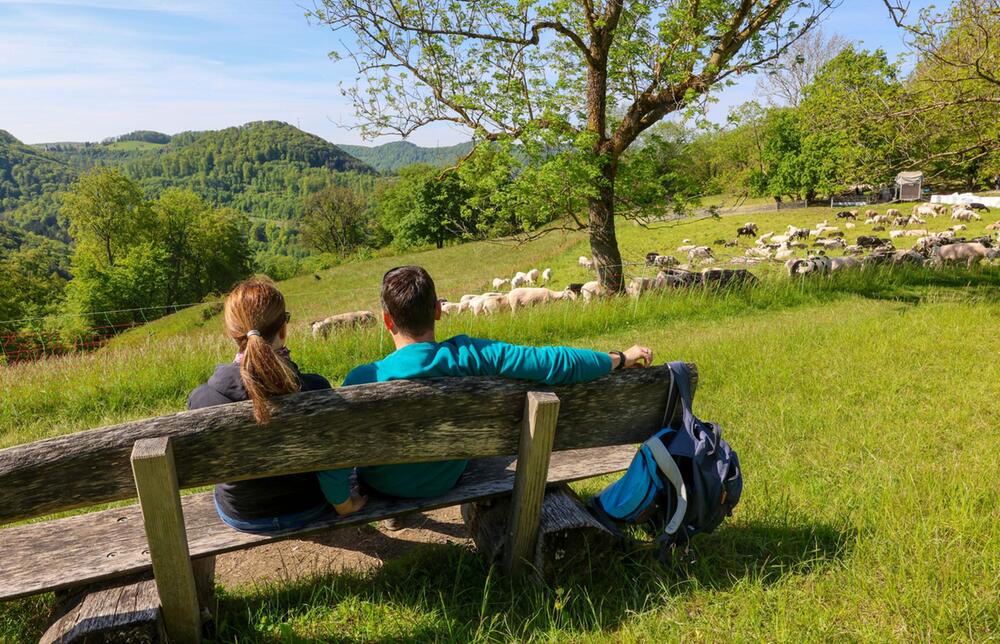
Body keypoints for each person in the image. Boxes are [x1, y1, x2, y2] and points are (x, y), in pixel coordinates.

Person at [318, 265, 653, 514]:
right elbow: (553, 362)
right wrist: (619, 358)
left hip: (383, 484)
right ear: (437, 310)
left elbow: (334, 448)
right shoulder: (472, 355)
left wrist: (343, 503)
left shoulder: (362, 378)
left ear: (387, 320)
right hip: (445, 477)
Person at [188, 278, 361, 533]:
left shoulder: (204, 399)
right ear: (283, 330)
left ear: (232, 333)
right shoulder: (316, 388)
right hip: (308, 506)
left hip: (243, 514)